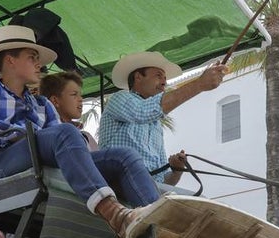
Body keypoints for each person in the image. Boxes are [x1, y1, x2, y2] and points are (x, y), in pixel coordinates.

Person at [0, 26, 160, 238]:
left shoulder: (41, 103)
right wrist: (29, 135)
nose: (39, 64)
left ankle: (161, 225)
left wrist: (44, 139)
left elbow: (58, 139)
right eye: (32, 57)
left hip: (39, 155)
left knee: (124, 156)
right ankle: (114, 214)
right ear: (10, 60)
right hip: (2, 159)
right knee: (65, 133)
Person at [98, 51, 228, 186]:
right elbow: (142, 112)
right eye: (158, 76)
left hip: (144, 193)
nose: (164, 82)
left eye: (165, 78)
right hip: (118, 186)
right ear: (138, 77)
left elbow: (162, 182)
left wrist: (177, 170)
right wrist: (200, 84)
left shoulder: (156, 125)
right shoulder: (120, 98)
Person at [39, 70, 97, 150]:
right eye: (74, 94)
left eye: (80, 95)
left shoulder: (86, 136)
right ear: (55, 101)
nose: (80, 99)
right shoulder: (48, 137)